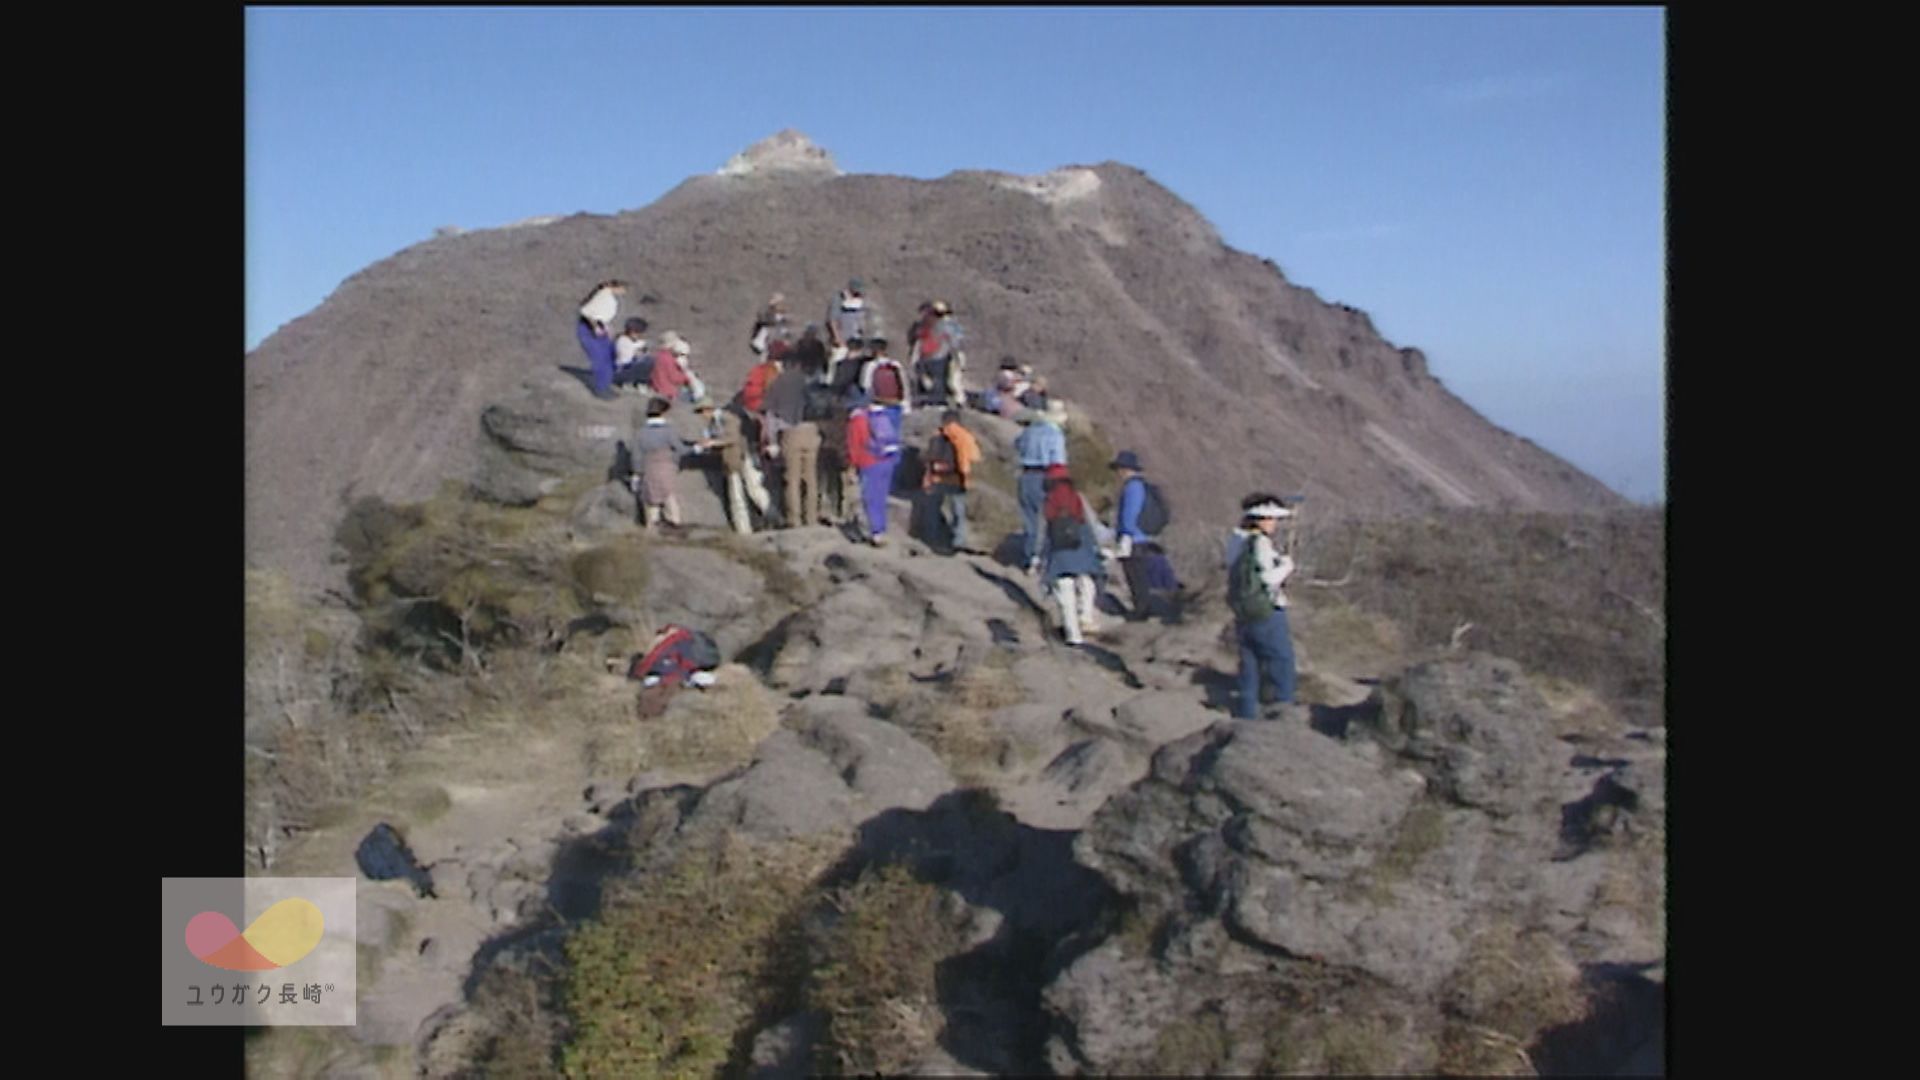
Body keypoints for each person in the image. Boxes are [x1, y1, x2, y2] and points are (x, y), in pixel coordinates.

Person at [1227, 494, 1298, 718]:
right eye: (1271, 519)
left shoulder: (1235, 539)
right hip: (1266, 611)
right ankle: (1283, 712)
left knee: (1249, 664)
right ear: (1261, 519)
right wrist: (1286, 566)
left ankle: (1246, 713)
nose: (1274, 524)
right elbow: (1268, 579)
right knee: (1282, 661)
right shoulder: (1260, 543)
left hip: (1242, 611)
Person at [1039, 465, 1105, 645]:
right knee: (1086, 581)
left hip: (1059, 554)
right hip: (1081, 548)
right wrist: (1099, 548)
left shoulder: (1048, 500)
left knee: (1065, 592)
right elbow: (1092, 524)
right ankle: (1086, 617)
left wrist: (1037, 557)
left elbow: (1041, 531)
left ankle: (1073, 635)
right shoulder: (1078, 499)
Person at [1110, 450, 1173, 620]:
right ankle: (1143, 608)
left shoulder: (1132, 487)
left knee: (1135, 575)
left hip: (1133, 538)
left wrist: (1125, 534)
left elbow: (1129, 514)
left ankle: (1141, 610)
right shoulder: (1140, 486)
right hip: (1141, 538)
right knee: (1139, 574)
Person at [692, 397, 770, 535]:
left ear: (707, 410)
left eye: (701, 412)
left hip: (743, 457)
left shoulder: (728, 418)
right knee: (736, 496)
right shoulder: (713, 424)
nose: (701, 416)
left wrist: (712, 443)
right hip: (729, 461)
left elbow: (734, 438)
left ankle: (771, 517)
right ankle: (743, 530)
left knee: (754, 490)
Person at [765, 353, 821, 528]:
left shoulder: (778, 383)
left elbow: (771, 415)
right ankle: (811, 517)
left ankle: (794, 519)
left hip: (790, 432)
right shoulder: (809, 382)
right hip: (811, 430)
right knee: (811, 478)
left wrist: (772, 441)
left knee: (792, 479)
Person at [1013, 404, 1068, 573]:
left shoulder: (1028, 432)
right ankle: (1045, 557)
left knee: (1030, 519)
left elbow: (1017, 445)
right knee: (1050, 518)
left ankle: (1031, 556)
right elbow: (1058, 460)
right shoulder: (1054, 434)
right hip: (1046, 475)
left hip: (1026, 475)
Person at [632, 397, 699, 529]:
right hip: (666, 470)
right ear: (663, 413)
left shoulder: (640, 433)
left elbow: (636, 457)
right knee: (670, 501)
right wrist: (696, 448)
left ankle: (651, 532)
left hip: (648, 470)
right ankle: (674, 528)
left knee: (651, 505)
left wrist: (636, 475)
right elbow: (681, 449)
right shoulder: (669, 431)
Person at [846, 392, 903, 546]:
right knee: (881, 497)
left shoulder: (856, 421)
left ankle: (875, 533)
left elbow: (855, 446)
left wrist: (852, 466)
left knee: (870, 498)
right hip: (886, 460)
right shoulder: (882, 416)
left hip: (869, 462)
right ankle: (881, 529)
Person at [923, 409, 982, 554]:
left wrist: (928, 477)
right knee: (958, 510)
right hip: (956, 478)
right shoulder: (963, 436)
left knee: (934, 509)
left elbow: (928, 457)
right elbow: (972, 457)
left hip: (938, 477)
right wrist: (966, 476)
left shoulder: (936, 435)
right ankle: (958, 541)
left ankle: (932, 539)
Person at [910, 300, 966, 408]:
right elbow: (920, 340)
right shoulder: (927, 325)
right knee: (929, 379)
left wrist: (956, 357)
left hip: (948, 355)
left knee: (952, 379)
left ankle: (958, 400)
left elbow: (956, 343)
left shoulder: (951, 326)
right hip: (931, 356)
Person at [825, 278, 871, 362]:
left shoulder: (859, 300)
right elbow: (832, 320)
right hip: (843, 340)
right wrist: (837, 338)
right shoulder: (839, 299)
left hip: (856, 341)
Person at [650, 332, 702, 403]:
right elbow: (674, 378)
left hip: (657, 386)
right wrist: (687, 378)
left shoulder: (659, 355)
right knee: (697, 393)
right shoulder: (668, 359)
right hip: (667, 391)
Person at [612, 317, 653, 392]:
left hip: (630, 365)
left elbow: (641, 347)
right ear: (632, 332)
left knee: (650, 360)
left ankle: (640, 381)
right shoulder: (623, 341)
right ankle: (630, 382)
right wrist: (637, 355)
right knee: (647, 362)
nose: (641, 335)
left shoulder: (636, 340)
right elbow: (625, 361)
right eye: (639, 333)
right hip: (622, 369)